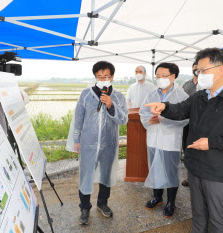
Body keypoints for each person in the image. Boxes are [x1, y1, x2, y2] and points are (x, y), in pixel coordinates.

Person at [144, 48, 223, 233]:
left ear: (220, 69)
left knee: (216, 217)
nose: (200, 75)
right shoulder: (200, 96)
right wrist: (164, 107)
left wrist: (212, 142)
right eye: (198, 71)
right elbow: (180, 110)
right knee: (198, 214)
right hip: (195, 166)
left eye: (204, 70)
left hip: (217, 169)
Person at [66, 61, 128, 225]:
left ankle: (102, 203)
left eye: (106, 76)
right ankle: (84, 207)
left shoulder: (118, 97)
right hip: (88, 144)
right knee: (85, 176)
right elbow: (79, 118)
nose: (102, 79)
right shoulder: (86, 94)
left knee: (106, 175)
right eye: (99, 76)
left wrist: (110, 105)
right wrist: (76, 140)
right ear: (95, 77)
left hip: (109, 144)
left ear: (112, 77)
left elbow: (123, 119)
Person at [139, 63, 189, 217]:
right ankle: (157, 197)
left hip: (170, 140)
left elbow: (186, 118)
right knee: (154, 166)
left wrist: (163, 120)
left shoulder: (182, 96)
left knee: (170, 171)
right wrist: (149, 120)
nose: (160, 79)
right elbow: (143, 112)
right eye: (157, 76)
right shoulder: (151, 94)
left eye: (164, 76)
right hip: (153, 138)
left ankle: (171, 202)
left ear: (173, 76)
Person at [181, 61, 199, 187]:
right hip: (187, 122)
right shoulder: (187, 84)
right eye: (194, 67)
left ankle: (198, 178)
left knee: (200, 150)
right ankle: (189, 176)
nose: (196, 69)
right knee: (187, 149)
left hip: (201, 122)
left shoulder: (208, 85)